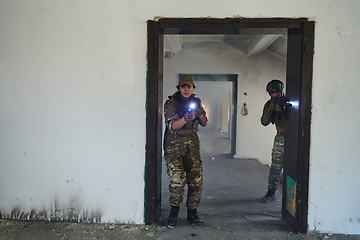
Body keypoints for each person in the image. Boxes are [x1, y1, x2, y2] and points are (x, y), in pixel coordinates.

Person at [163, 74, 208, 228]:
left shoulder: (196, 102)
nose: (187, 89)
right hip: (174, 149)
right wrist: (186, 118)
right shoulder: (171, 103)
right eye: (184, 86)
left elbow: (204, 123)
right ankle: (174, 212)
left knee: (196, 182)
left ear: (193, 88)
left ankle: (192, 213)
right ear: (179, 88)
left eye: (189, 86)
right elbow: (172, 126)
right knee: (177, 182)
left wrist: (199, 113)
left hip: (192, 149)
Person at [260, 79, 289, 203]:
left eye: (277, 92)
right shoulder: (269, 104)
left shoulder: (289, 101)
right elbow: (264, 122)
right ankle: (271, 193)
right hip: (280, 138)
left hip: (293, 138)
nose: (275, 94)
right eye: (272, 93)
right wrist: (271, 109)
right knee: (276, 167)